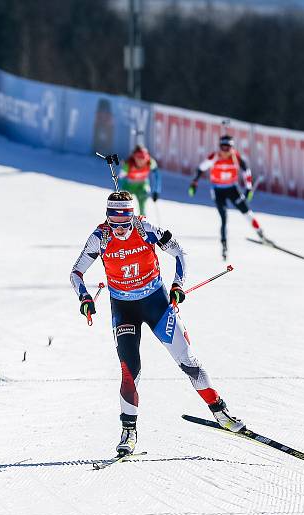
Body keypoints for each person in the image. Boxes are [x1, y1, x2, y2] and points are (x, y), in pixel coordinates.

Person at [70, 190, 244, 456]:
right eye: (114, 225)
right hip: (123, 308)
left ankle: (220, 412)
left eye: (124, 225)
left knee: (188, 361)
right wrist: (84, 297)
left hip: (157, 304)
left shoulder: (145, 228)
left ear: (132, 218)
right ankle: (128, 432)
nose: (120, 231)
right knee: (130, 370)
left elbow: (180, 253)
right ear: (107, 219)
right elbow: (76, 273)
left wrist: (178, 285)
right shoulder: (100, 237)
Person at [189, 135, 267, 259]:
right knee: (224, 217)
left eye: (228, 148)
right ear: (219, 147)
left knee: (246, 212)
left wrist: (248, 188)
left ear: (232, 147)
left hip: (232, 189)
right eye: (223, 148)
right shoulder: (214, 157)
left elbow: (246, 170)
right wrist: (194, 184)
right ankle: (224, 245)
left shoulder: (235, 157)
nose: (225, 151)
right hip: (218, 190)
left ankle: (261, 234)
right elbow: (200, 169)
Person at [118, 145, 162, 216]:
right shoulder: (128, 165)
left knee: (143, 199)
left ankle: (142, 222)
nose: (141, 161)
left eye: (143, 158)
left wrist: (156, 191)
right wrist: (118, 192)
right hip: (129, 186)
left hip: (142, 185)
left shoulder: (150, 163)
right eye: (139, 158)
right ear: (134, 157)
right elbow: (120, 179)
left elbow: (157, 175)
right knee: (125, 206)